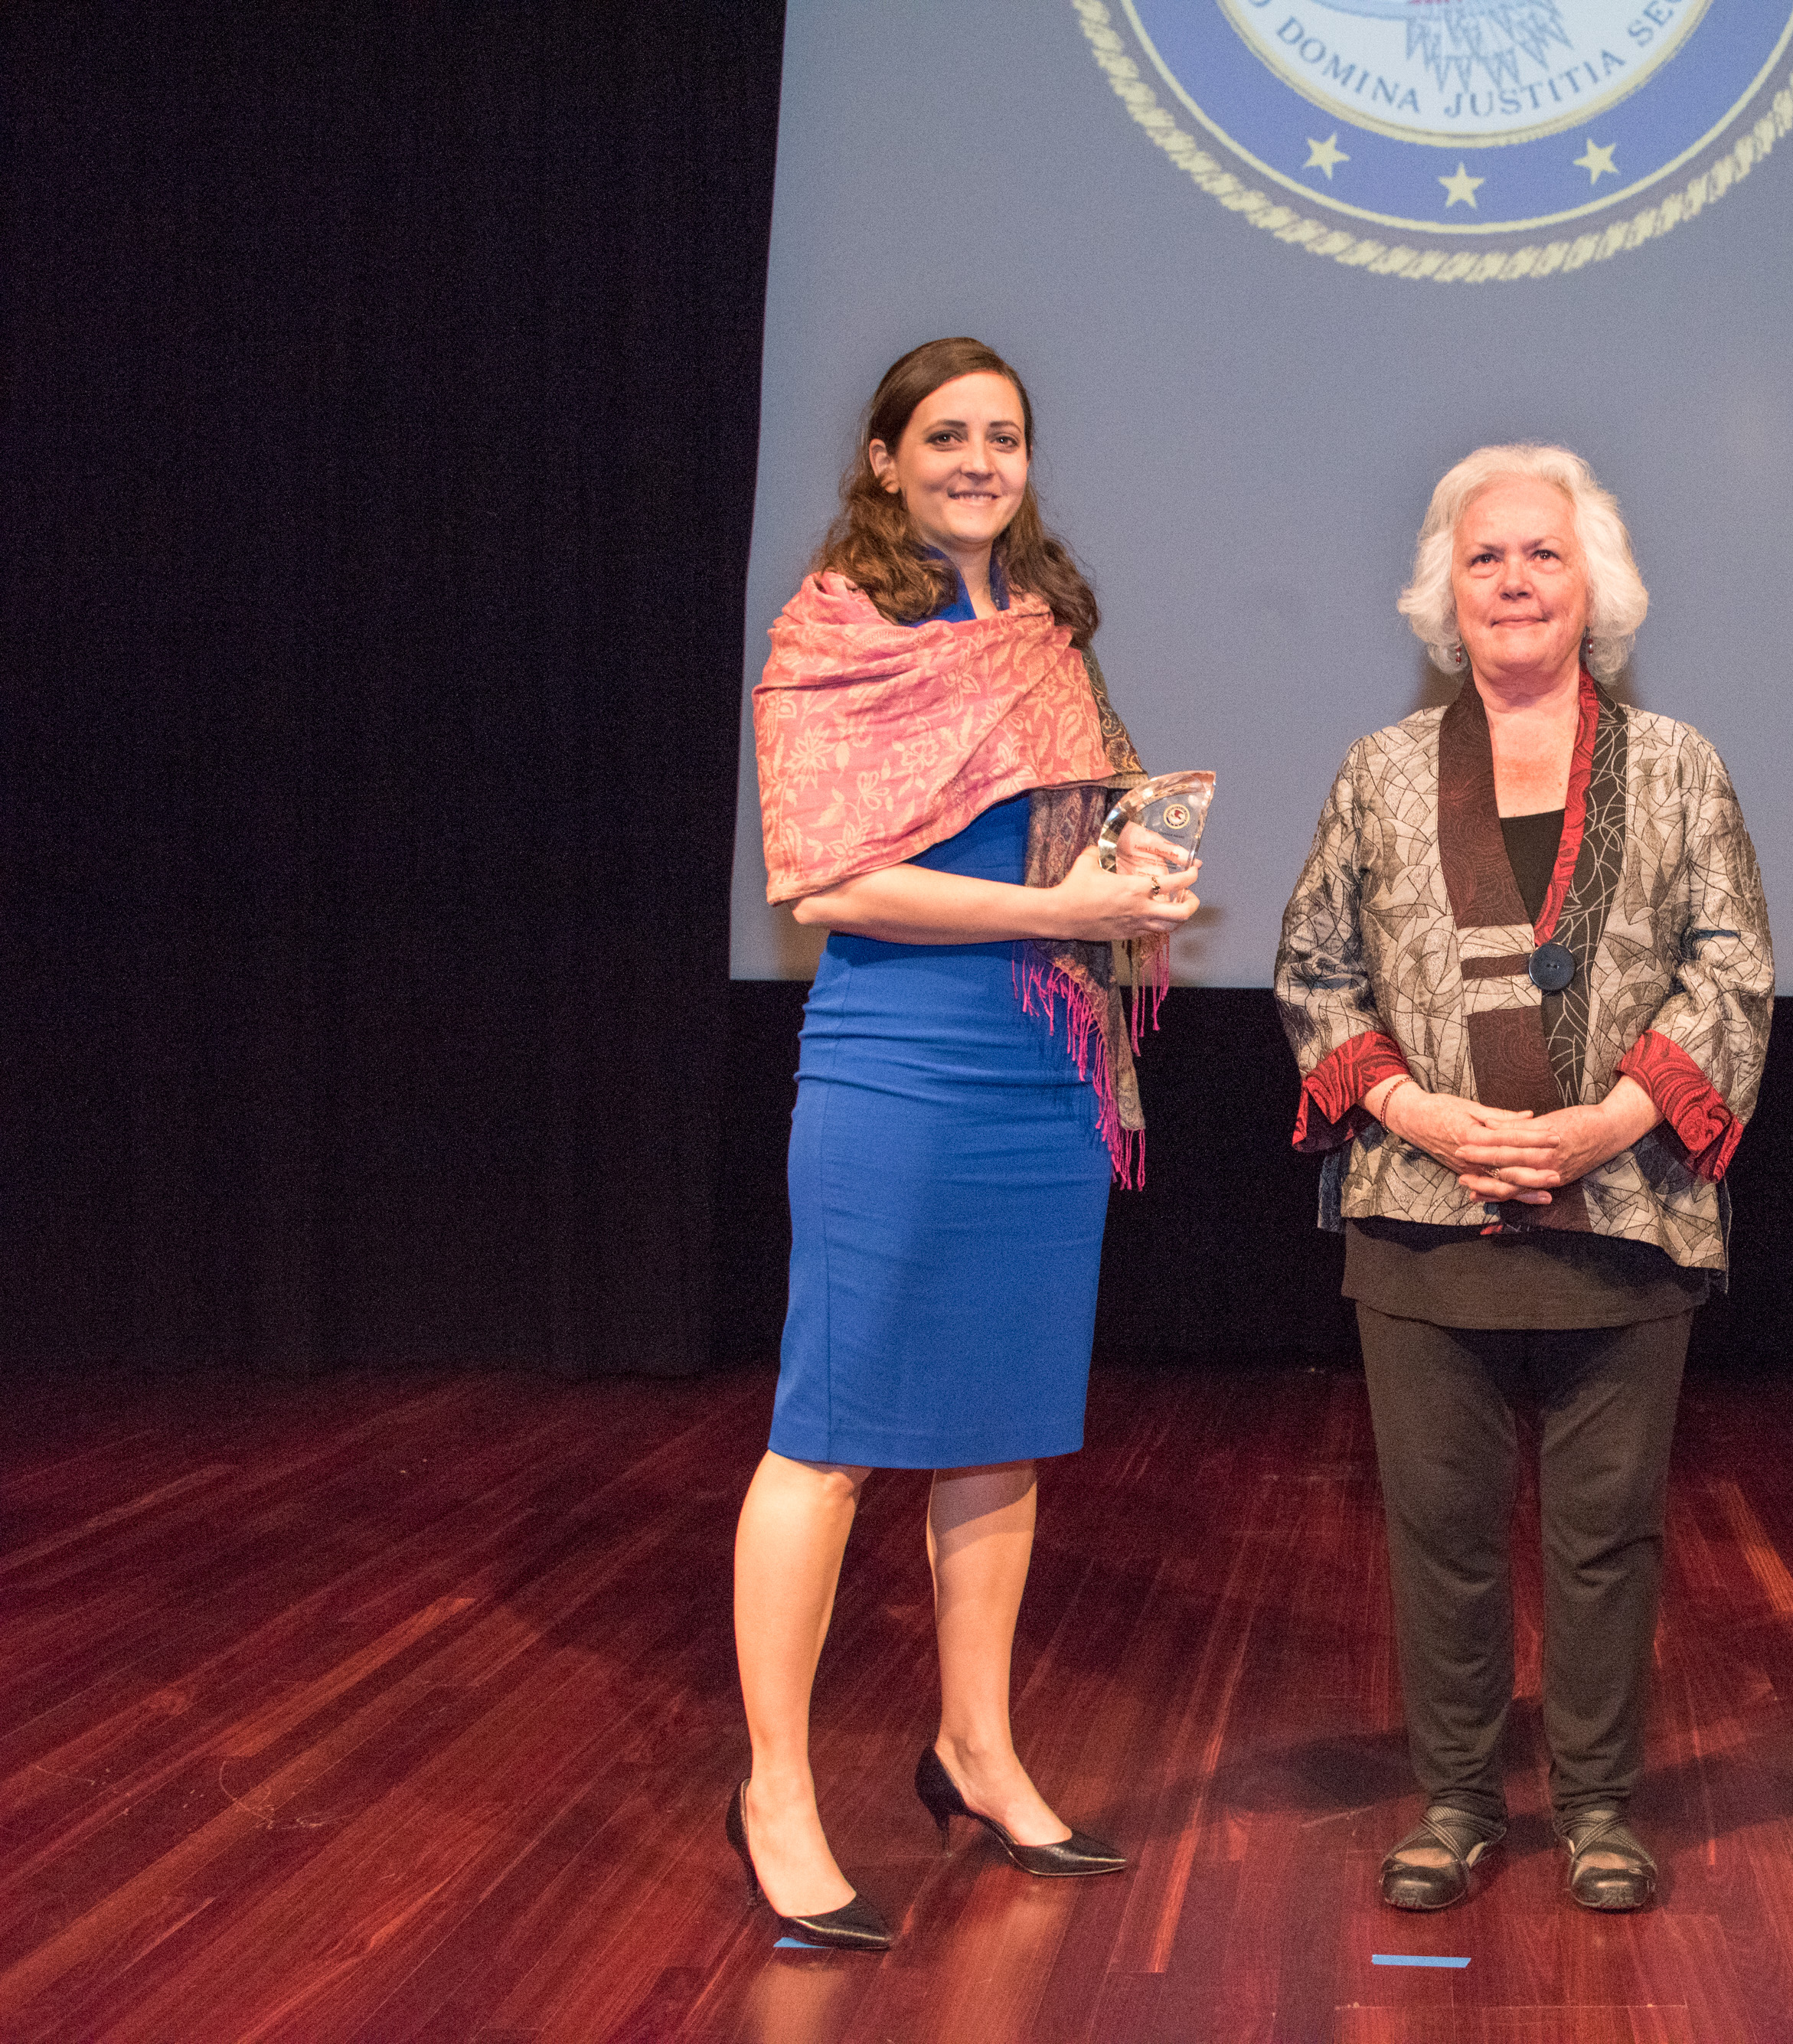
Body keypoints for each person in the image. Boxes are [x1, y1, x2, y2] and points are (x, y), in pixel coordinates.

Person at [727, 338, 1196, 1951]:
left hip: (1045, 1065)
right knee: (836, 1429)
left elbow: (1075, 834)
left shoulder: (1047, 629)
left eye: (1003, 435)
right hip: (898, 1064)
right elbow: (827, 884)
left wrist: (1130, 887)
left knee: (999, 1423)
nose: (978, 460)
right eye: (946, 436)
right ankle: (777, 1789)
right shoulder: (831, 630)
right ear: (884, 460)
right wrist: (1057, 907)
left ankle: (976, 1748)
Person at [1275, 444, 1773, 1915]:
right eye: (1485, 556)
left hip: (1628, 1212)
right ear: (1447, 590)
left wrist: (1613, 1121)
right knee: (1439, 1530)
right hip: (1423, 1217)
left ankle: (1603, 1807)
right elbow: (1315, 971)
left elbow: (1734, 968)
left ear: (1593, 586)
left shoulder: (1680, 764)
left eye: (1542, 554)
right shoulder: (1377, 772)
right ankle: (1457, 1799)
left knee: (1607, 1533)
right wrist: (1422, 1115)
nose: (1513, 579)